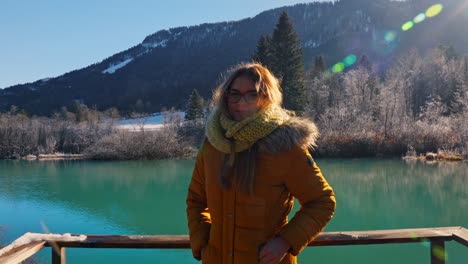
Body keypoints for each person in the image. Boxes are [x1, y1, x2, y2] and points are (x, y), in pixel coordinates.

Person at [186, 62, 336, 264]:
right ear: (225, 97)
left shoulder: (284, 145)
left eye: (252, 94)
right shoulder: (213, 144)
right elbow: (196, 200)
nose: (241, 103)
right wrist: (202, 244)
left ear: (266, 98)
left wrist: (285, 242)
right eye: (235, 94)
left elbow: (322, 202)